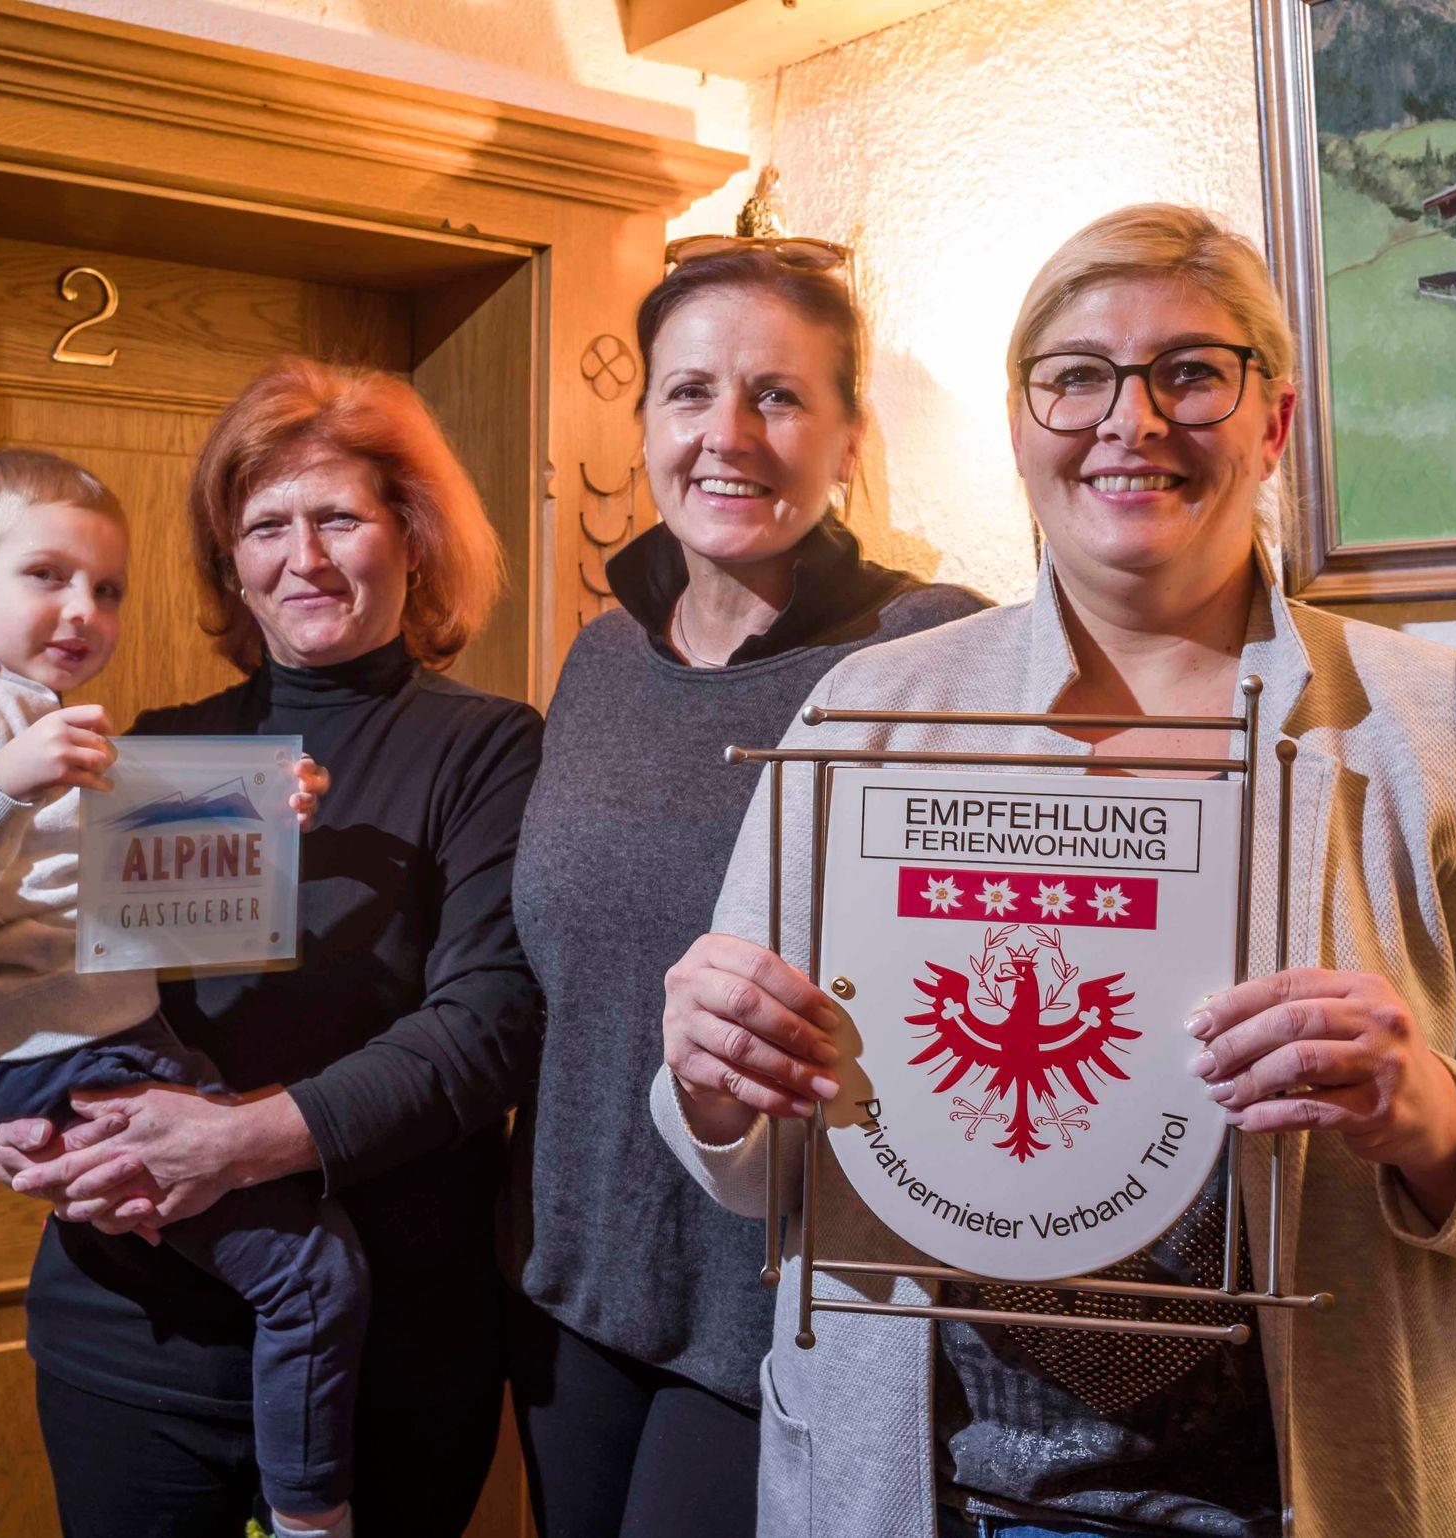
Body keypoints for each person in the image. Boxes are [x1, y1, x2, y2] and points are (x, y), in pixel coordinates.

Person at [654, 203, 1456, 1538]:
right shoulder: (873, 712)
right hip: (935, 1500)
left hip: (1317, 1500)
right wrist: (712, 1082)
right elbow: (760, 1161)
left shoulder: (1428, 720)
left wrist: (1430, 1113)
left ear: (1273, 421)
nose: (1129, 420)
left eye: (1190, 373)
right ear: (1021, 422)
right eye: (1076, 376)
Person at [0, 361, 546, 1536]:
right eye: (265, 526)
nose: (302, 558)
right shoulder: (152, 748)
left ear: (413, 535)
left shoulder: (488, 749)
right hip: (133, 1331)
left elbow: (488, 1026)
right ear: (231, 561)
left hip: (386, 1347)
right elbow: (8, 952)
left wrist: (235, 1143)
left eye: (339, 518)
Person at [0, 448, 355, 1537]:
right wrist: (0, 783)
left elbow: (89, 887)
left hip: (104, 1044)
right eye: (47, 575)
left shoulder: (18, 708)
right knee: (312, 1277)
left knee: (285, 1271)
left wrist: (256, 814)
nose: (84, 610)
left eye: (108, 587)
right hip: (78, 1063)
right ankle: (311, 1519)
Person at [506, 240, 984, 1538]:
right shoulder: (600, 659)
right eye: (689, 392)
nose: (727, 433)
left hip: (790, 1302)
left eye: (776, 394)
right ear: (644, 424)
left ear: (848, 437)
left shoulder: (934, 651)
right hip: (570, 1285)